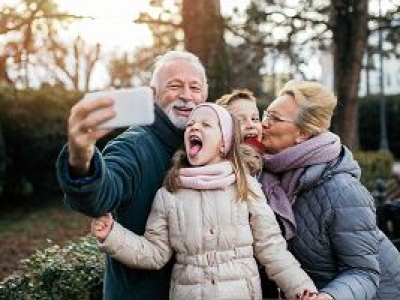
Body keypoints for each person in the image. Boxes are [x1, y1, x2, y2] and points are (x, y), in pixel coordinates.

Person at [91, 103, 318, 300]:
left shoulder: (245, 187)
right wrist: (112, 235)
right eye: (190, 124)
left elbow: (271, 248)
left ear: (224, 143)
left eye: (206, 125)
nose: (194, 127)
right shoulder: (169, 194)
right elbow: (155, 253)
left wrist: (301, 289)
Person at [56, 50, 208, 299]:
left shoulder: (208, 147)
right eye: (175, 85)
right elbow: (100, 197)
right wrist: (81, 156)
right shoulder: (133, 145)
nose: (186, 95)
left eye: (195, 87)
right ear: (153, 94)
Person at [260, 80, 400, 300]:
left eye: (274, 118)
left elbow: (364, 272)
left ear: (303, 134)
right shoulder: (270, 173)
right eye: (266, 114)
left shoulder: (342, 191)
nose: (264, 123)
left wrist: (329, 297)